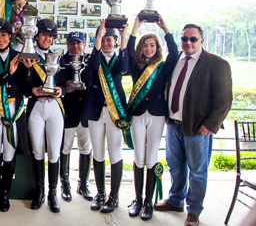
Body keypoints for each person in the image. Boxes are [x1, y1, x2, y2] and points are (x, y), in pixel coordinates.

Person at [155, 23, 232, 226]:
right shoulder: (176, 61)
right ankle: (175, 200)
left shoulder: (216, 64)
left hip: (198, 127)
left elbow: (224, 100)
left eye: (193, 39)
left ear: (201, 41)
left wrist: (211, 124)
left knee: (198, 171)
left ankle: (194, 211)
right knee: (175, 166)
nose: (188, 42)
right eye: (184, 39)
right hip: (173, 124)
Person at [127, 14, 178, 220]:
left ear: (157, 47)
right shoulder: (135, 66)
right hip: (138, 114)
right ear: (141, 47)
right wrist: (135, 27)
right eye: (145, 45)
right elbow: (128, 52)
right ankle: (138, 199)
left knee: (151, 158)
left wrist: (166, 29)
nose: (149, 48)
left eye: (152, 45)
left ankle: (149, 202)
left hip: (157, 115)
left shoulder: (163, 66)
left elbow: (174, 53)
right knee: (138, 156)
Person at [0, 18, 32, 212]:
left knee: (9, 154)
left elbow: (27, 90)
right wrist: (8, 74)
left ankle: (5, 193)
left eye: (4, 34)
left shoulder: (19, 56)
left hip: (14, 111)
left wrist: (27, 71)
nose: (0, 38)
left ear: (10, 36)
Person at [81, 19, 129, 213]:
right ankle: (100, 194)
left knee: (114, 152)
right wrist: (97, 38)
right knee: (98, 152)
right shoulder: (96, 58)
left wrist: (124, 36)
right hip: (95, 110)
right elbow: (92, 66)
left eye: (110, 40)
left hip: (114, 112)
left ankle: (114, 197)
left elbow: (125, 68)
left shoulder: (119, 59)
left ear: (116, 42)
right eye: (104, 39)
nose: (107, 43)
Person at [27, 19, 66, 213]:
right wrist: (32, 89)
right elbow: (23, 84)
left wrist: (61, 90)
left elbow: (67, 82)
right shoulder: (29, 55)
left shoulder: (59, 58)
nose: (47, 38)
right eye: (44, 34)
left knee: (54, 152)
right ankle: (39, 192)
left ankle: (53, 194)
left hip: (54, 108)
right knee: (37, 150)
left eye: (50, 36)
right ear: (37, 35)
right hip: (36, 107)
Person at [59, 31, 93, 202]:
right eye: (72, 43)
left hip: (86, 112)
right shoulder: (60, 61)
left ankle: (83, 184)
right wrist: (64, 86)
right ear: (67, 44)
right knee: (65, 147)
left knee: (85, 148)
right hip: (68, 111)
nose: (76, 46)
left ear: (84, 45)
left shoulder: (90, 61)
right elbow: (56, 83)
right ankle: (64, 184)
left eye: (79, 43)